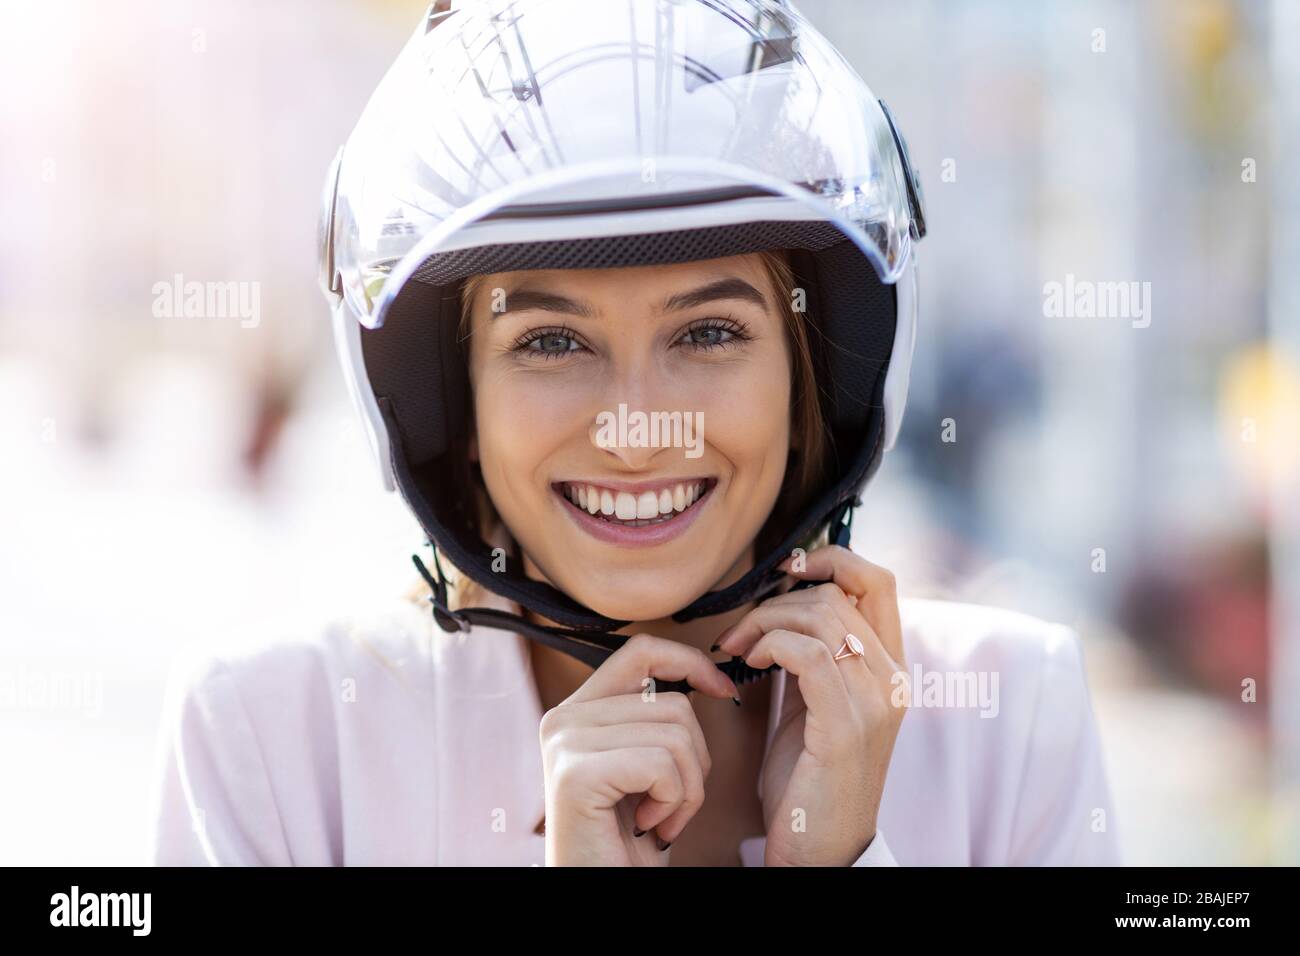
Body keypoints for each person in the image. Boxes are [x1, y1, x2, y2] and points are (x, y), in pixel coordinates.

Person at [148, 0, 1119, 866]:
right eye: (551, 340)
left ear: (808, 381)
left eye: (707, 332)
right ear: (456, 405)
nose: (634, 428)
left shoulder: (1010, 720)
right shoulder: (268, 743)